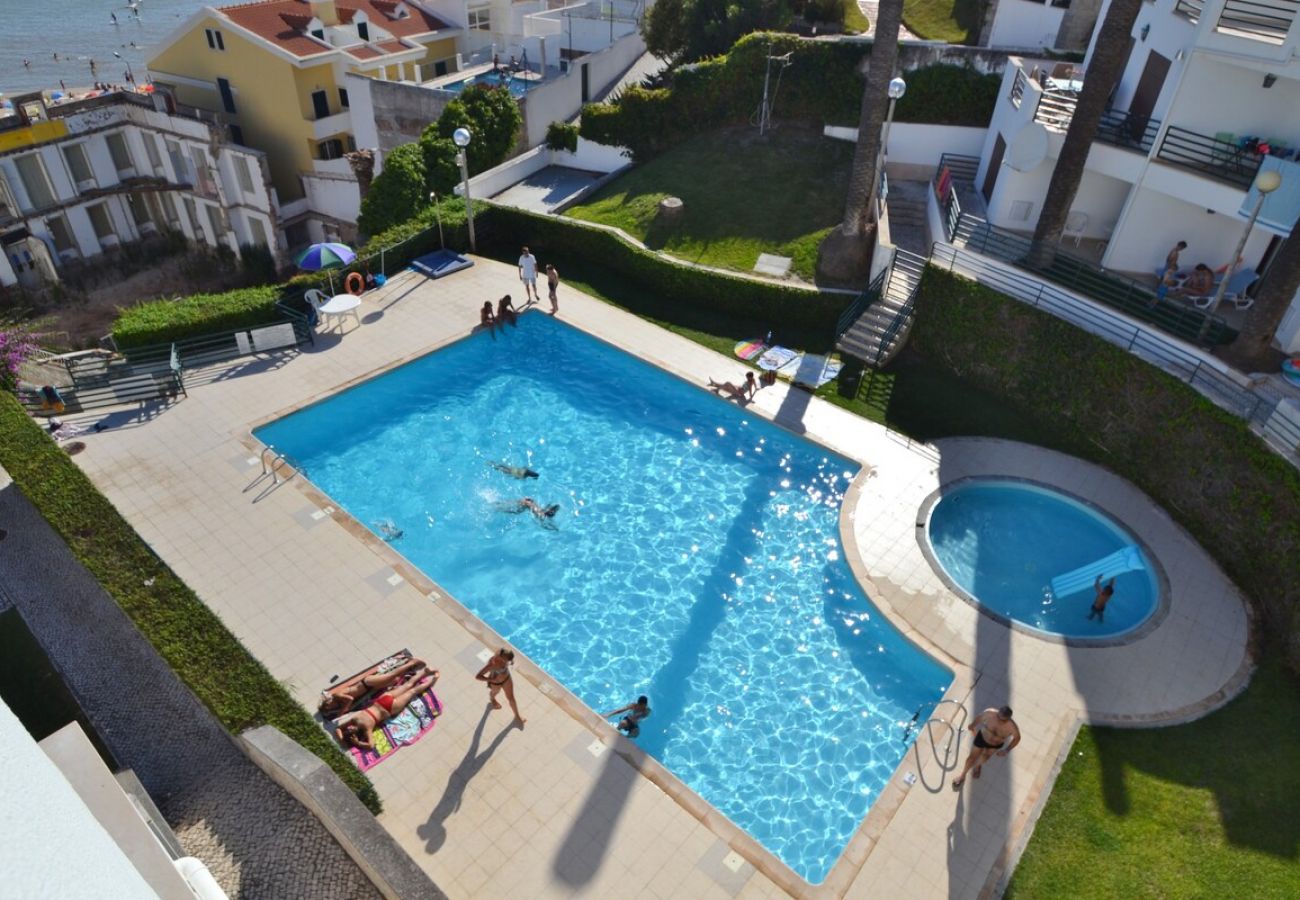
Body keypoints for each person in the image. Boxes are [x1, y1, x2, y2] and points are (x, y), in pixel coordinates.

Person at [334, 667, 439, 749]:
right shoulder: (363, 726)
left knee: (410, 689)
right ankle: (427, 675)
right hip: (385, 704)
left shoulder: (360, 724)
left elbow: (338, 729)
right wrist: (353, 742)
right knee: (409, 688)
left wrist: (347, 741)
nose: (350, 728)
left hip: (387, 705)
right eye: (351, 730)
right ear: (355, 732)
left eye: (349, 729)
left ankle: (428, 676)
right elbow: (370, 745)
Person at [319, 656, 426, 716]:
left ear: (328, 704)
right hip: (369, 689)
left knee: (391, 675)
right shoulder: (338, 702)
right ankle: (407, 665)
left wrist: (341, 711)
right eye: (331, 709)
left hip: (367, 683)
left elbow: (350, 698)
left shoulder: (337, 695)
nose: (333, 708)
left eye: (330, 707)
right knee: (395, 679)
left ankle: (412, 662)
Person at [952, 706, 1021, 790]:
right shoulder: (990, 713)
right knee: (971, 758)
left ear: (1008, 719)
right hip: (982, 738)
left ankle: (977, 766)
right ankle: (962, 775)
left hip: (994, 745)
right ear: (998, 712)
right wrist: (972, 725)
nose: (998, 720)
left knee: (984, 758)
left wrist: (1007, 750)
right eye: (998, 716)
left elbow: (1017, 738)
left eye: (1002, 720)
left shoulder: (1012, 727)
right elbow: (979, 718)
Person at [476, 648, 525, 727]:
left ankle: (517, 715)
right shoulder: (492, 664)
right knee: (494, 693)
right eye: (506, 661)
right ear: (501, 657)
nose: (507, 662)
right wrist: (490, 679)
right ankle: (492, 699)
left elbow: (510, 660)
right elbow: (478, 676)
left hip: (506, 679)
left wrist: (511, 661)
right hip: (495, 683)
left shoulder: (505, 655)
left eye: (508, 661)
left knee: (511, 698)